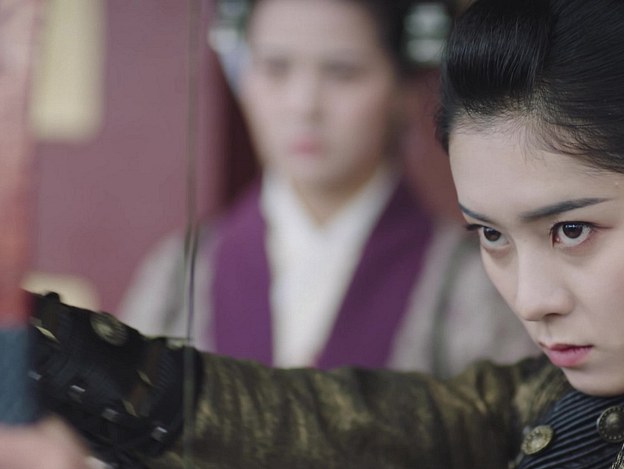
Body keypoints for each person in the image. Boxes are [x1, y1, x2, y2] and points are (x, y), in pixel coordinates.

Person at [4, 0, 624, 467]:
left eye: (572, 229)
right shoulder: (607, 380)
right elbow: (375, 425)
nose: (530, 299)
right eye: (491, 236)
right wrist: (74, 355)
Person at [118, 0, 536, 374]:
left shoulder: (466, 281)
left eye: (342, 71)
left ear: (404, 89)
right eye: (275, 68)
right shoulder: (181, 274)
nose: (303, 105)